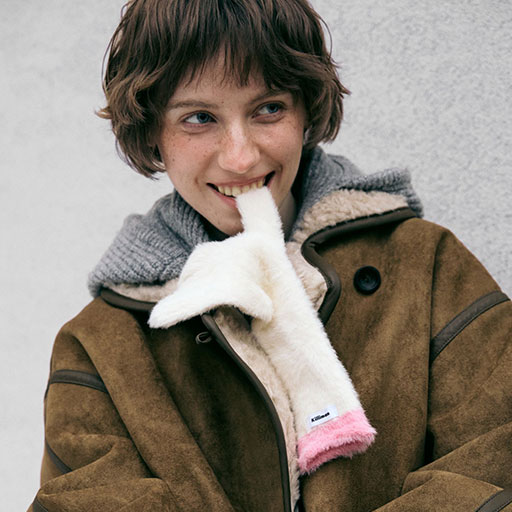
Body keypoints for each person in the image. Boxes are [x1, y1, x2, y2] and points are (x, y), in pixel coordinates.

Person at [30, 0, 512, 511]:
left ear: (306, 110)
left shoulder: (427, 266)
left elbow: (492, 465)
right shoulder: (99, 345)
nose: (240, 157)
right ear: (153, 132)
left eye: (268, 109)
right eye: (199, 118)